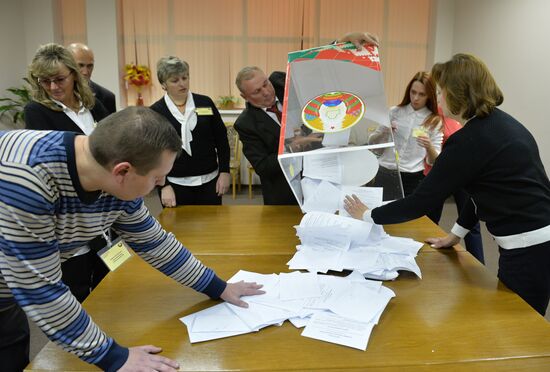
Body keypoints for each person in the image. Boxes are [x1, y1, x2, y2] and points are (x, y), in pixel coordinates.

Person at [0, 107, 263, 372]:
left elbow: (156, 244)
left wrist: (219, 287)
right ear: (123, 171)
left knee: (12, 350)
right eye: (157, 178)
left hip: (12, 286)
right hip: (11, 280)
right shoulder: (27, 178)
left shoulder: (110, 175)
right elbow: (40, 290)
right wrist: (114, 357)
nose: (160, 183)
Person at [344, 53, 550, 316]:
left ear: (458, 94)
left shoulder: (469, 140)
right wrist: (455, 235)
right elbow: (479, 192)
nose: (437, 98)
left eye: (441, 92)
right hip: (539, 238)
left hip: (527, 247)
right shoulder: (502, 124)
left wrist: (367, 214)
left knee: (521, 324)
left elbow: (421, 202)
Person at [234, 32, 378, 205]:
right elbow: (264, 167)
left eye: (265, 83)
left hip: (323, 177)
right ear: (245, 96)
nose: (266, 92)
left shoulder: (280, 81)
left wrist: (340, 43)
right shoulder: (245, 123)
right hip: (285, 192)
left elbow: (311, 69)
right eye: (257, 91)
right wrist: (293, 146)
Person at [24, 43, 110, 303]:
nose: (52, 88)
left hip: (104, 209)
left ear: (74, 75)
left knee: (110, 284)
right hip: (70, 215)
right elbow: (47, 164)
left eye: (59, 79)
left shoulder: (93, 105)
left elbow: (112, 143)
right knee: (77, 291)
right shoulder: (37, 111)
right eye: (45, 81)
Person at [150, 56, 230, 207]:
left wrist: (225, 172)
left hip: (209, 180)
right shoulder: (156, 111)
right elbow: (154, 152)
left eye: (184, 77)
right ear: (163, 84)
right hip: (174, 184)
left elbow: (221, 139)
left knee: (213, 227)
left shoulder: (205, 102)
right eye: (175, 80)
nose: (182, 83)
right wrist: (163, 185)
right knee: (178, 228)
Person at [368, 71, 442, 223]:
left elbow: (435, 161)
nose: (415, 98)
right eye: (413, 92)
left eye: (421, 94)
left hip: (412, 179)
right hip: (386, 173)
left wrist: (429, 147)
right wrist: (384, 132)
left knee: (407, 222)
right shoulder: (394, 112)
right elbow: (373, 144)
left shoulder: (434, 121)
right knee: (378, 219)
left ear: (429, 96)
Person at [426, 109, 485, 263]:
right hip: (438, 177)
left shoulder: (457, 124)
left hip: (462, 177)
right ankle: (429, 260)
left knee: (471, 223)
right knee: (431, 221)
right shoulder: (430, 122)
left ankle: (479, 263)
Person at [67, 42, 117, 114]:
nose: (85, 72)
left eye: (90, 66)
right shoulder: (57, 94)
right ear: (68, 64)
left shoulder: (107, 97)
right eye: (80, 65)